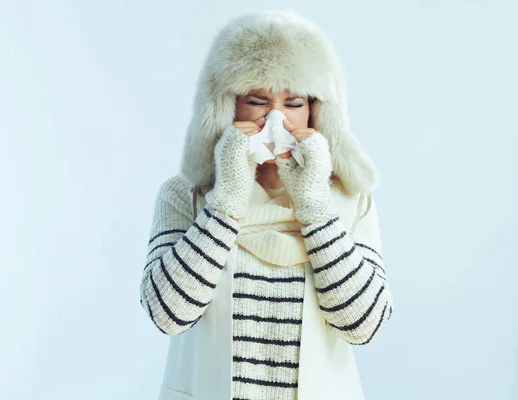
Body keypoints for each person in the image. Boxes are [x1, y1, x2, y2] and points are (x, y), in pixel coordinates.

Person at [139, 9, 393, 400]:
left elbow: (365, 324)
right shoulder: (185, 196)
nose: (276, 120)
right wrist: (227, 199)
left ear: (316, 110)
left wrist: (312, 204)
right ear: (226, 107)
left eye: (293, 103)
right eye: (257, 101)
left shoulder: (349, 201)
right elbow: (167, 313)